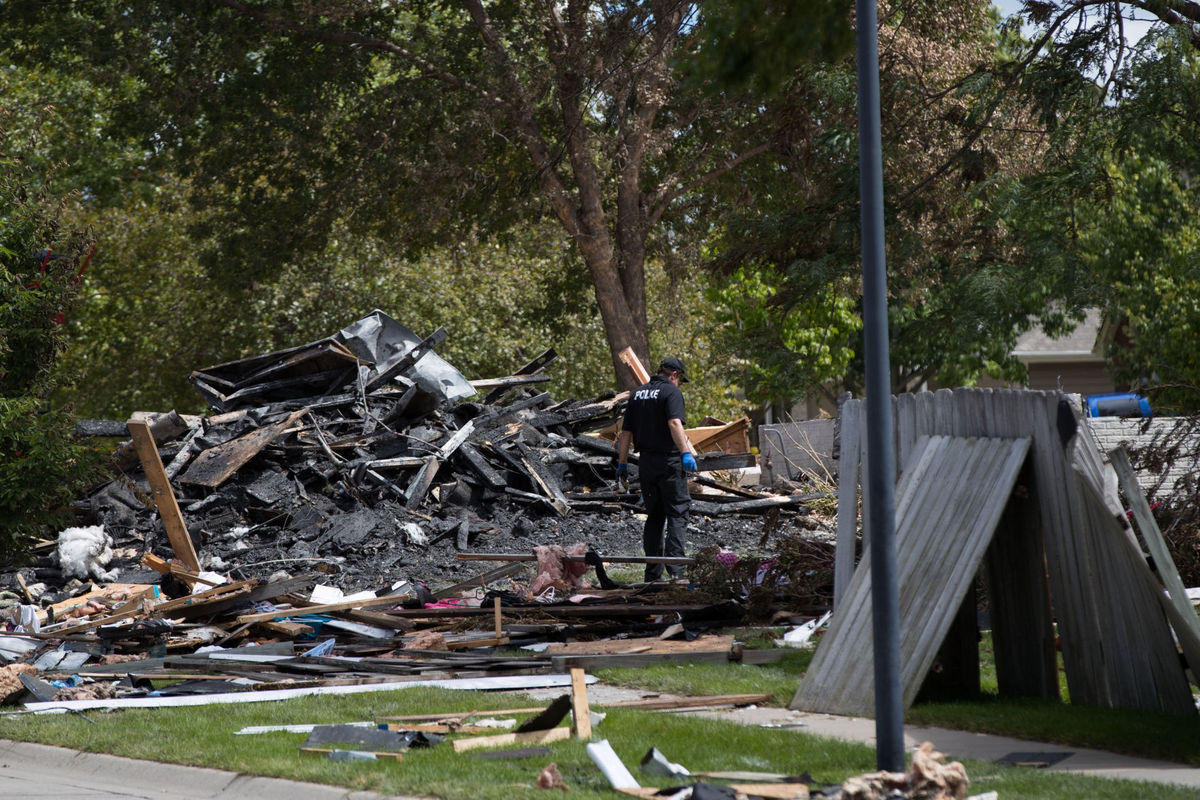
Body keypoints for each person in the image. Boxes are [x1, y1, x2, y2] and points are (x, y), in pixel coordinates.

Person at [616, 357, 698, 581]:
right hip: (669, 462)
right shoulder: (671, 393)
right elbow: (674, 423)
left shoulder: (637, 394)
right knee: (677, 513)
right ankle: (677, 573)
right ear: (674, 375)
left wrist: (622, 463)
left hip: (646, 464)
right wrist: (685, 453)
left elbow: (625, 434)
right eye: (679, 380)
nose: (679, 384)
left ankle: (652, 575)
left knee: (654, 517)